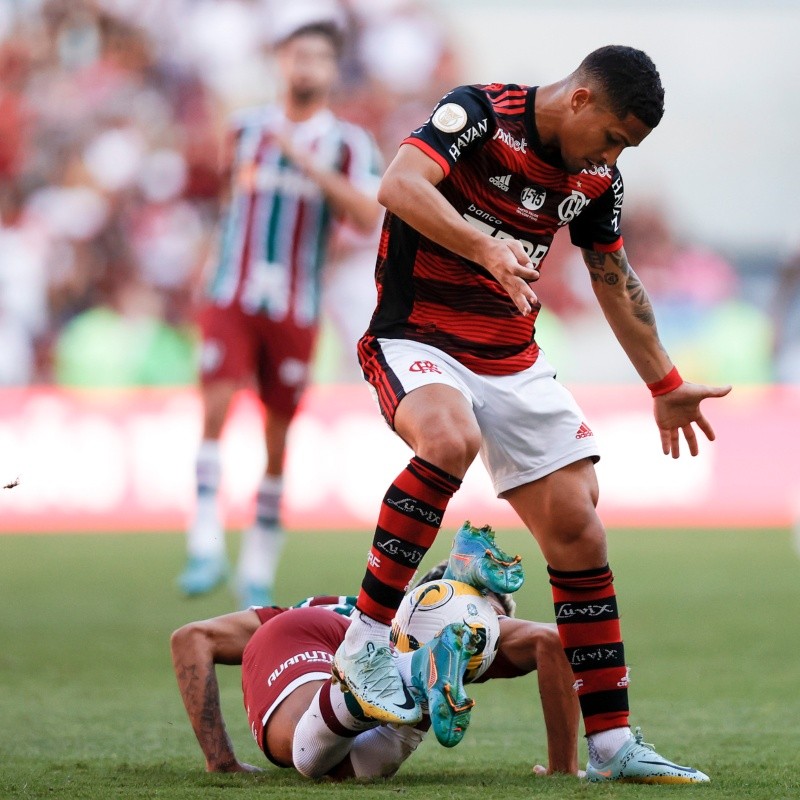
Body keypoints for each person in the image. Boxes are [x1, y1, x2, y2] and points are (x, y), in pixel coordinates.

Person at [332, 45, 728, 782]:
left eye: (624, 150)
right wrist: (484, 246)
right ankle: (362, 644)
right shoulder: (480, 115)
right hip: (418, 334)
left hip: (512, 357)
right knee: (449, 440)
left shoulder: (595, 177)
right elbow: (400, 182)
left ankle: (611, 747)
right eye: (611, 137)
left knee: (579, 524)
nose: (611, 156)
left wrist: (664, 381)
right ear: (580, 100)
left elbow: (610, 275)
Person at [178, 20, 382, 607]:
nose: (307, 66)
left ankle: (259, 560)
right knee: (215, 405)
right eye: (298, 55)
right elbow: (225, 200)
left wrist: (307, 167)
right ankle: (205, 540)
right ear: (282, 62)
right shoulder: (243, 130)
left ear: (332, 70)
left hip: (296, 301)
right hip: (232, 291)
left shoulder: (347, 144)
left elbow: (367, 217)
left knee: (276, 432)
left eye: (319, 57)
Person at [170, 524, 582, 779]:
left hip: (319, 636)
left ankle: (412, 669)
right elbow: (553, 640)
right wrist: (563, 766)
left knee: (342, 771)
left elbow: (191, 637)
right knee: (304, 753)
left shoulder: (327, 609)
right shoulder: (472, 637)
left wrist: (220, 758)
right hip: (317, 639)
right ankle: (412, 668)